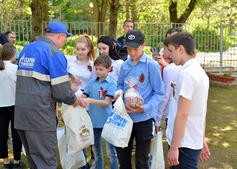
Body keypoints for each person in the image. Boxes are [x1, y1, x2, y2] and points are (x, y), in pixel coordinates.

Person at [14, 22, 82, 169]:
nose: (64, 41)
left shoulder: (26, 49)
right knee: (46, 162)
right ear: (60, 35)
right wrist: (75, 99)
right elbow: (62, 92)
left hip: (21, 115)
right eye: (65, 37)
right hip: (40, 116)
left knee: (34, 161)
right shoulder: (54, 52)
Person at [114, 29, 164, 169]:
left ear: (144, 45)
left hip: (144, 119)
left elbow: (159, 92)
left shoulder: (151, 66)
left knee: (141, 160)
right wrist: (119, 95)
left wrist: (145, 107)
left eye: (135, 49)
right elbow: (119, 85)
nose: (132, 53)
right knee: (123, 159)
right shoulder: (124, 66)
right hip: (126, 117)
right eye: (129, 49)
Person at [165, 32, 210, 168]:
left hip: (183, 144)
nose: (170, 55)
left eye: (171, 50)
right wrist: (200, 139)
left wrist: (174, 148)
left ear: (181, 49)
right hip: (190, 141)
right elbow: (200, 111)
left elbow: (182, 114)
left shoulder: (186, 74)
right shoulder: (198, 71)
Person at [80, 55, 118, 169]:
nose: (98, 71)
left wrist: (90, 100)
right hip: (94, 122)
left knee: (111, 152)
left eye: (101, 69)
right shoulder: (91, 82)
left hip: (107, 122)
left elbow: (106, 102)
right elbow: (83, 96)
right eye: (96, 68)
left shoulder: (111, 83)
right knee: (96, 152)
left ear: (108, 69)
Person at [0, 43, 26, 169]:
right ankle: (16, 162)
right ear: (13, 54)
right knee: (16, 134)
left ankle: (5, 162)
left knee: (1, 134)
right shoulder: (15, 69)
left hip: (0, 106)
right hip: (15, 104)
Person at [155, 40, 181, 133]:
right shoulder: (183, 67)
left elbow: (165, 96)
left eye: (165, 49)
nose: (163, 52)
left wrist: (158, 120)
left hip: (172, 113)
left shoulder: (169, 70)